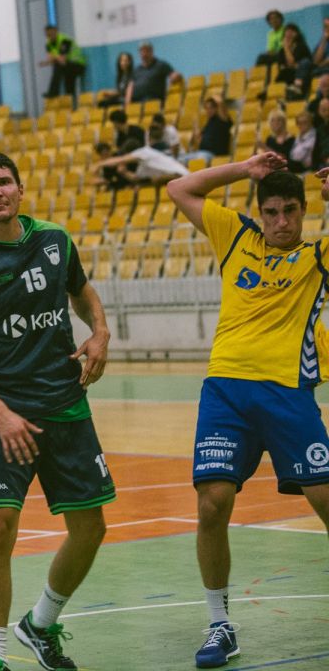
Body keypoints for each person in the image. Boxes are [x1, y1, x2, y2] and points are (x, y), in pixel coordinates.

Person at [0, 154, 114, 671]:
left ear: (20, 189)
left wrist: (100, 331)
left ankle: (40, 623)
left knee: (91, 528)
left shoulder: (54, 240)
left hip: (66, 405)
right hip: (3, 413)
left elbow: (82, 292)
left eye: (4, 182)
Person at [166, 158, 329, 669]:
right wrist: (246, 167)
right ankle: (220, 624)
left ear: (305, 211)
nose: (281, 221)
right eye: (272, 212)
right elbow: (179, 188)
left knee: (326, 499)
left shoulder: (317, 256)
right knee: (211, 505)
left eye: (290, 211)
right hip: (226, 391)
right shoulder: (236, 237)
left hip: (287, 394)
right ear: (260, 214)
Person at [91, 138, 188, 187]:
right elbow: (136, 179)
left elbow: (119, 160)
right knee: (150, 182)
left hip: (181, 176)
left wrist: (99, 164)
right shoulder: (143, 164)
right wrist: (124, 173)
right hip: (177, 180)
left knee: (156, 181)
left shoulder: (144, 152)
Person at [182, 96, 234, 164]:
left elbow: (220, 104)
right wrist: (195, 126)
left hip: (215, 154)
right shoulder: (208, 123)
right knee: (180, 160)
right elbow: (199, 140)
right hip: (202, 152)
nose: (208, 110)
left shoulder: (222, 120)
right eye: (206, 108)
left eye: (211, 108)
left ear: (216, 108)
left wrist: (214, 98)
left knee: (199, 159)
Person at [41, 25, 86, 100]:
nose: (49, 36)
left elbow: (61, 59)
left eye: (50, 34)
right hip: (68, 66)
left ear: (55, 31)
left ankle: (53, 92)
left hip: (78, 65)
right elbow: (50, 60)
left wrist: (53, 59)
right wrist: (48, 61)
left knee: (58, 66)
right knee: (68, 85)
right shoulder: (48, 44)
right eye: (47, 35)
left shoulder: (64, 40)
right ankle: (70, 103)